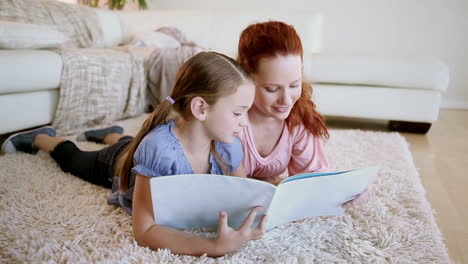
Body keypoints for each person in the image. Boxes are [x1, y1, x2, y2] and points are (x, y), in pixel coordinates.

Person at [1, 52, 267, 257]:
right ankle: (42, 137)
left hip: (141, 146)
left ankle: (111, 132)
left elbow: (241, 191)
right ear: (200, 108)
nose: (245, 122)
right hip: (114, 163)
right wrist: (212, 245)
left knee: (130, 141)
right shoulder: (158, 150)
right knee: (75, 160)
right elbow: (146, 231)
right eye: (237, 112)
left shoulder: (228, 144)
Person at [236, 21, 371, 206]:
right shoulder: (230, 118)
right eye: (272, 89)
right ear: (246, 77)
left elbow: (312, 176)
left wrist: (343, 188)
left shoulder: (297, 118)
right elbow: (220, 187)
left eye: (294, 85)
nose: (286, 100)